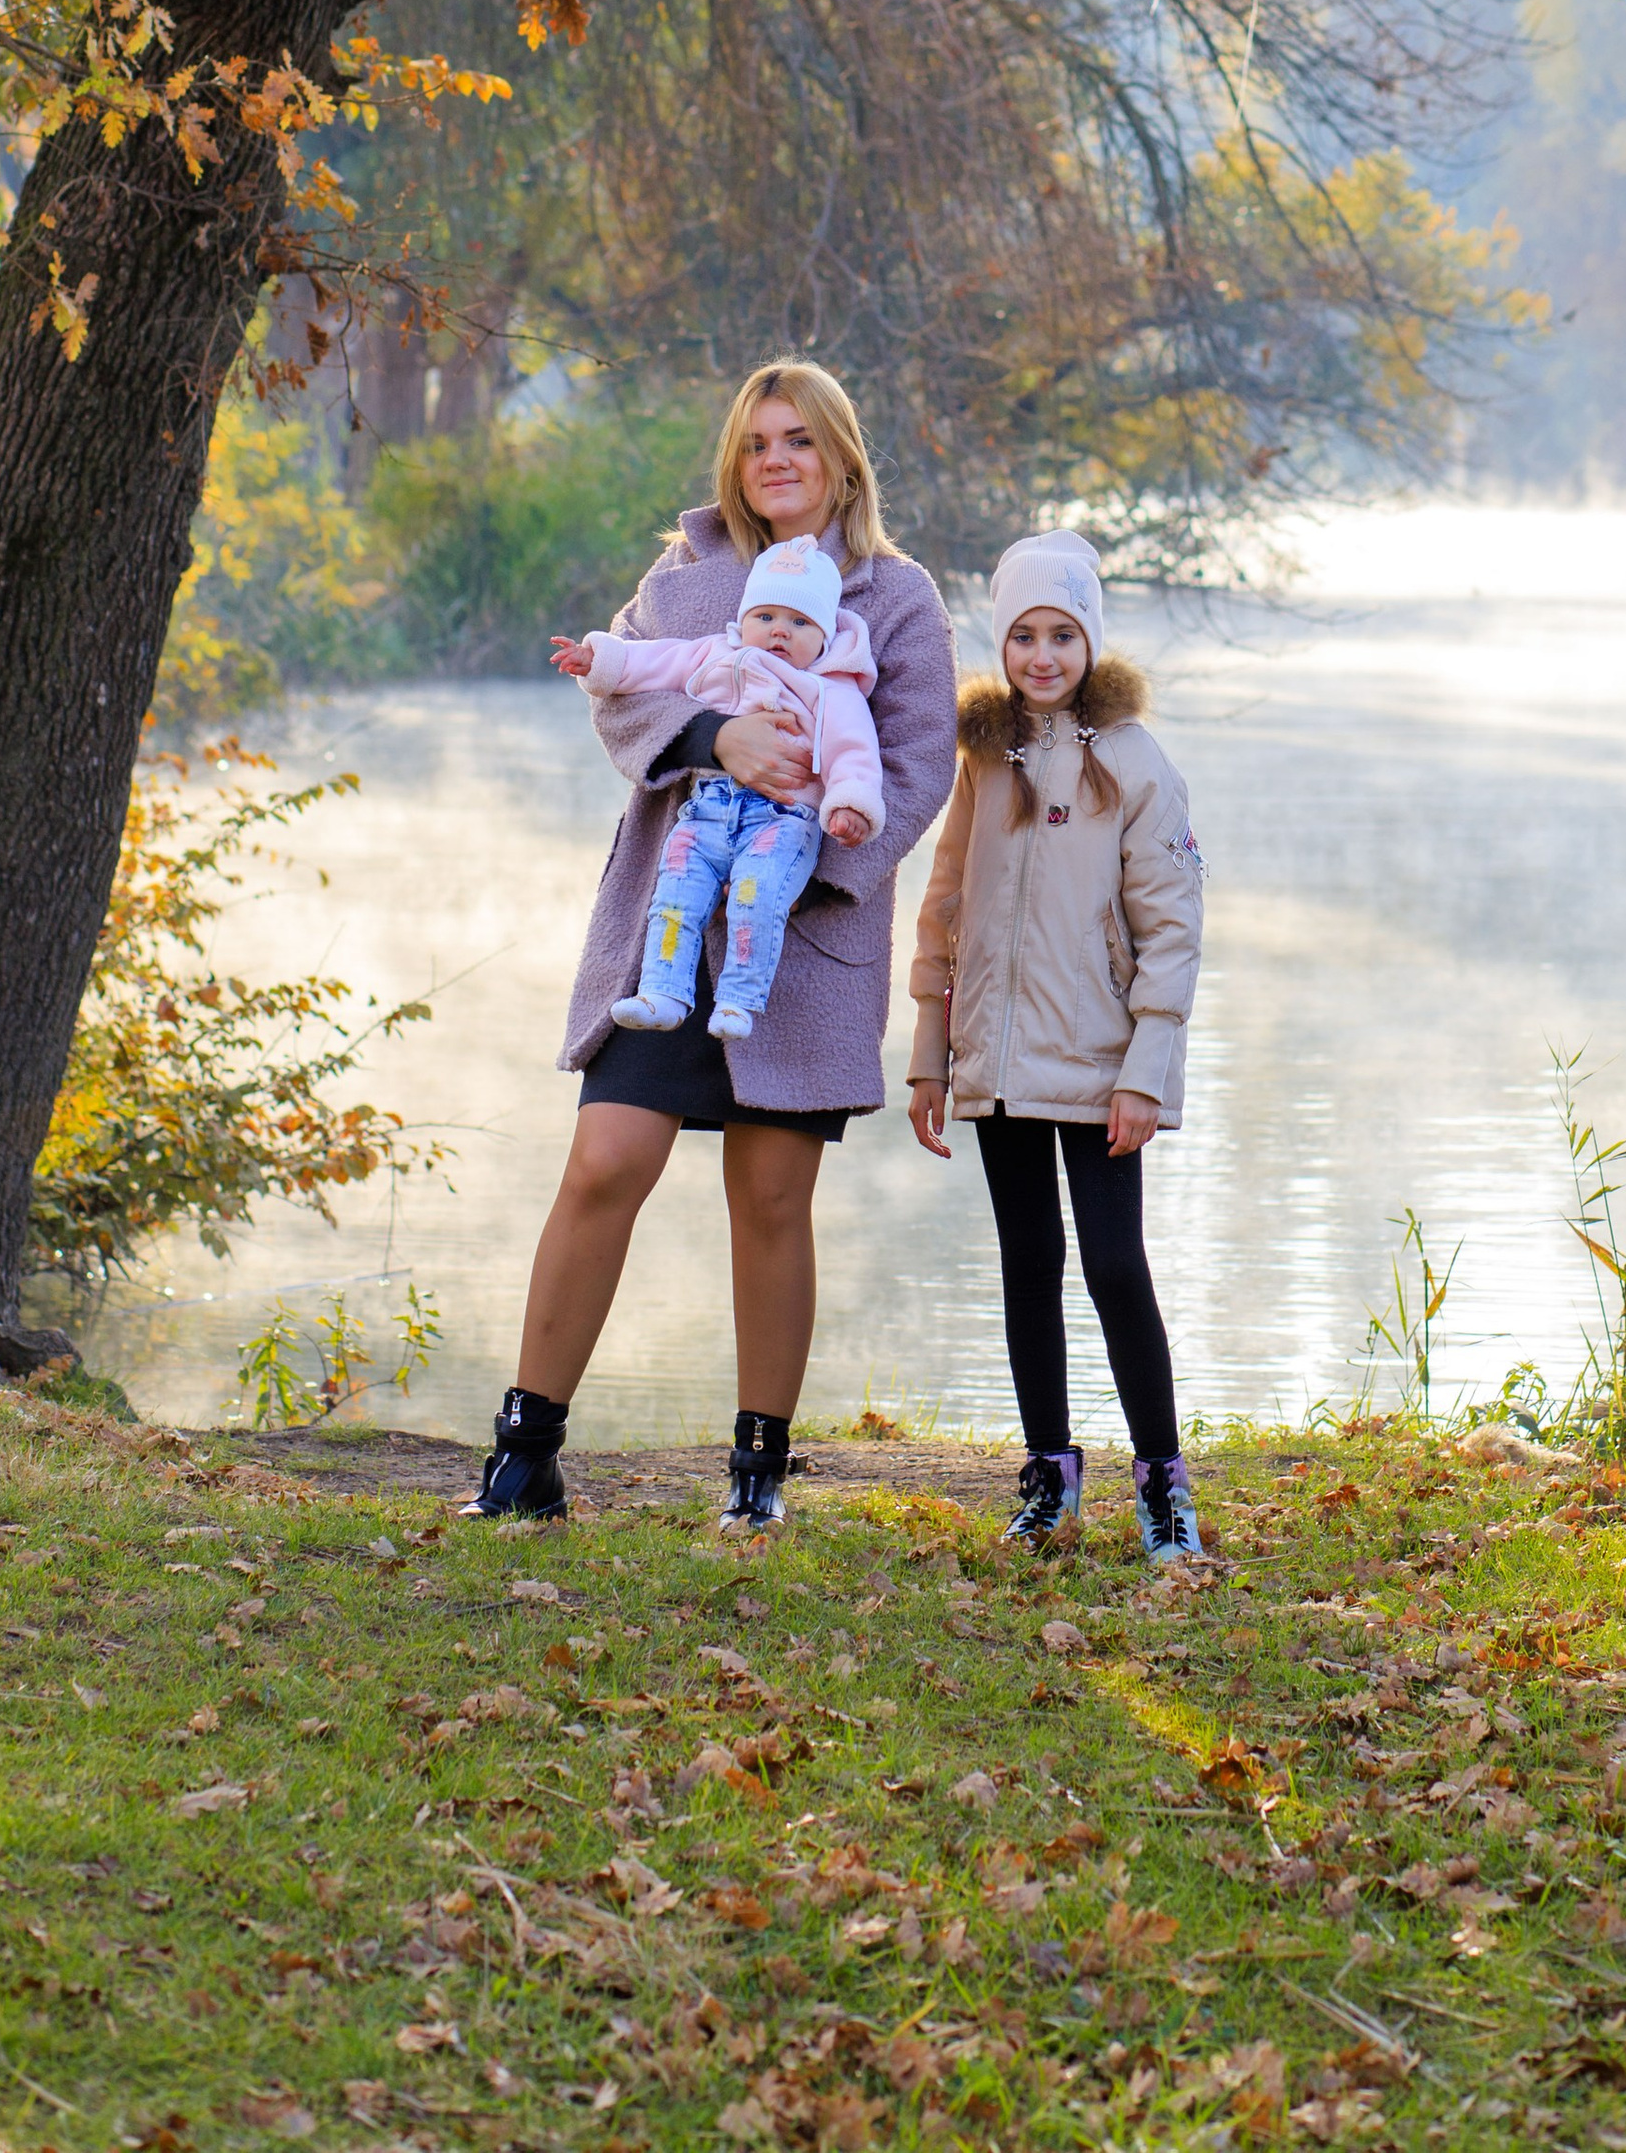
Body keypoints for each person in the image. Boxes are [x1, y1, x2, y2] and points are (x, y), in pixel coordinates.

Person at [464, 362, 957, 1534]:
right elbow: (622, 694)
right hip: (670, 931)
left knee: (771, 1199)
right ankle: (524, 1456)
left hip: (805, 935)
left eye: (799, 440)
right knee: (605, 1162)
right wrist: (714, 736)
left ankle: (758, 1475)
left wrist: (815, 863)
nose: (775, 460)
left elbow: (918, 764)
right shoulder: (684, 580)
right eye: (755, 443)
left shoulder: (895, 598)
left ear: (841, 458)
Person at [906, 528, 1207, 1565]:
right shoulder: (983, 762)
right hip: (994, 1062)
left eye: (1062, 635)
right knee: (1028, 1262)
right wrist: (931, 1052)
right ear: (1002, 644)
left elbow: (1172, 928)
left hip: (1097, 1063)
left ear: (1090, 642)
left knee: (1115, 1266)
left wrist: (1145, 1074)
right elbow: (945, 903)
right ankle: (1048, 1475)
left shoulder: (1133, 764)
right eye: (1024, 636)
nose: (1042, 656)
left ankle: (1161, 1482)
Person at [554, 531, 884, 1038]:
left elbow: (855, 751)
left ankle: (739, 1000)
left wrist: (849, 803)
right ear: (744, 620)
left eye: (800, 622)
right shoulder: (716, 653)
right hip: (706, 810)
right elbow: (654, 661)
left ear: (825, 636)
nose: (780, 631)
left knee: (757, 897)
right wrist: (599, 661)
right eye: (766, 617)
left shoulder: (830, 690)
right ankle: (663, 992)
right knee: (675, 894)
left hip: (782, 820)